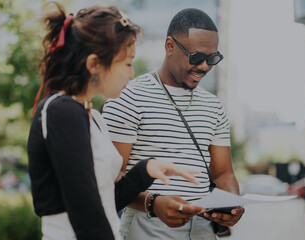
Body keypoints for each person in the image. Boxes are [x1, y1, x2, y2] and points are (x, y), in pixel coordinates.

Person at [27, 3, 202, 240]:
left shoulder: (92, 116)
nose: (131, 73)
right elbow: (86, 213)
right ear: (94, 64)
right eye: (127, 63)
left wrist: (146, 169)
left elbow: (106, 200)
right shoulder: (61, 111)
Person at [102, 8, 245, 239]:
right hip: (148, 225)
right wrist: (153, 203)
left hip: (203, 227)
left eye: (213, 58)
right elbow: (109, 183)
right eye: (197, 57)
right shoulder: (128, 97)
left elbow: (223, 173)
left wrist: (232, 205)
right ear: (170, 46)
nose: (205, 66)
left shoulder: (214, 106)